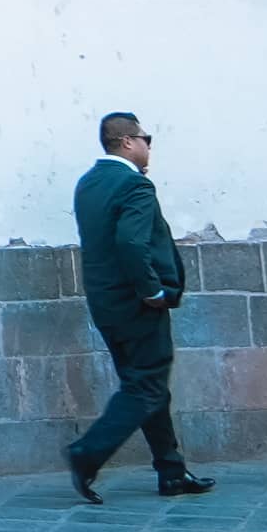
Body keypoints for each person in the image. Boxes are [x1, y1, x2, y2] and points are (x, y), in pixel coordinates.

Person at [65, 112, 216, 504]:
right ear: (128, 141)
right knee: (146, 385)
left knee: (146, 387)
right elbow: (131, 244)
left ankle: (171, 470)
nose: (150, 147)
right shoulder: (133, 185)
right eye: (147, 138)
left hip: (106, 304)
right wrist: (152, 291)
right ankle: (87, 453)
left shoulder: (89, 184)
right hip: (137, 304)